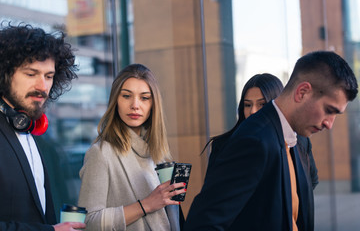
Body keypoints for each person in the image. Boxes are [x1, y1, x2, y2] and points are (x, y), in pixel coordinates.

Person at [184, 51, 358, 231]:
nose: (330, 124)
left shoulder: (299, 139)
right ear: (302, 92)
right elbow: (203, 224)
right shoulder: (253, 140)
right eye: (329, 110)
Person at [78, 63, 186, 231]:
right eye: (126, 96)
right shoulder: (101, 153)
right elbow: (89, 221)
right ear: (116, 101)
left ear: (153, 105)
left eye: (144, 98)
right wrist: (146, 205)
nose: (135, 105)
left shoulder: (157, 155)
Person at [203, 73, 318, 230]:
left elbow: (311, 180)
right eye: (248, 105)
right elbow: (214, 203)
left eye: (262, 104)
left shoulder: (300, 141)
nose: (253, 111)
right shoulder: (225, 145)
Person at [0, 23, 86, 230]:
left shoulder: (34, 135)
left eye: (49, 76)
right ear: (4, 74)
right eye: (31, 74)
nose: (42, 86)